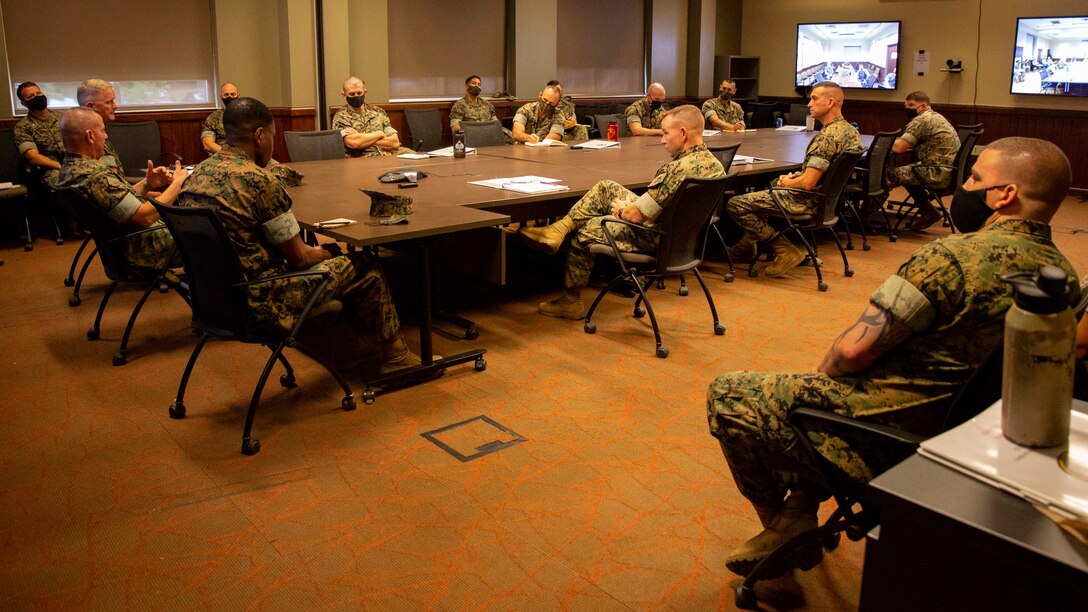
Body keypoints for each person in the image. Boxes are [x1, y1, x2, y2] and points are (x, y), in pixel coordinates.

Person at [707, 137, 1078, 578]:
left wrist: (824, 378)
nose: (967, 185)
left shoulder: (951, 258)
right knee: (812, 396)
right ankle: (799, 510)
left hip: (886, 431)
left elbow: (851, 352)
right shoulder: (1064, 277)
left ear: (1005, 195)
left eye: (977, 177)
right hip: (966, 436)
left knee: (727, 394)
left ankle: (780, 538)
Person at [178, 97, 421, 374]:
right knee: (365, 265)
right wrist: (329, 252)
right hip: (261, 300)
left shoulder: (197, 174)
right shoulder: (258, 181)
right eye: (271, 136)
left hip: (214, 301)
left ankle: (350, 345)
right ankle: (396, 359)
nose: (272, 143)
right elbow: (300, 259)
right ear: (259, 136)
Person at [519, 105, 725, 319]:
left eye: (665, 133)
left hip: (654, 238)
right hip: (684, 241)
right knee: (606, 187)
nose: (662, 140)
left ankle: (571, 301)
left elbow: (636, 216)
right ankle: (557, 229)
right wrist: (628, 210)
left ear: (683, 133)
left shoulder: (677, 170)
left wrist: (623, 212)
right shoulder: (714, 164)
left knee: (587, 229)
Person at [725, 81, 861, 277]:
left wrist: (789, 182)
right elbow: (824, 172)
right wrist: (794, 176)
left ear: (830, 102)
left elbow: (808, 183)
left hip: (805, 200)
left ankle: (784, 249)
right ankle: (747, 246)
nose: (809, 104)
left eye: (814, 99)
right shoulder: (850, 131)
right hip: (827, 201)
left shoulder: (828, 137)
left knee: (736, 204)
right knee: (768, 184)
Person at [53, 107, 187, 270]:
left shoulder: (71, 170)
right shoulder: (95, 175)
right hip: (146, 248)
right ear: (90, 136)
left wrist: (147, 183)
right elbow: (145, 217)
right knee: (216, 233)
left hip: (120, 247)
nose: (106, 135)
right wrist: (178, 183)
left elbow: (117, 204)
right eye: (103, 130)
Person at [885, 91, 961, 230]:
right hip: (948, 172)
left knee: (887, 175)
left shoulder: (922, 120)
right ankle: (929, 211)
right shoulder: (936, 117)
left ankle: (865, 217)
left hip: (935, 172)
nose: (908, 108)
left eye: (912, 105)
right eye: (906, 105)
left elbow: (899, 148)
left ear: (924, 106)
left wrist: (882, 143)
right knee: (907, 172)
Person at [331, 77, 412, 157]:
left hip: (387, 156)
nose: (356, 96)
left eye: (359, 93)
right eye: (352, 94)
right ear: (344, 95)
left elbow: (394, 142)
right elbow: (354, 143)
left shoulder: (378, 112)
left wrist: (361, 138)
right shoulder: (341, 116)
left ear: (365, 93)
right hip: (361, 160)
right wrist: (379, 134)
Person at [13, 82, 64, 187]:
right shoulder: (23, 127)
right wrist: (60, 166)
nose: (37, 97)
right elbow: (33, 157)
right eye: (31, 96)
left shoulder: (63, 118)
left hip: (73, 162)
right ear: (24, 103)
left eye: (38, 93)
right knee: (67, 182)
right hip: (50, 169)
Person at [77, 79, 126, 176]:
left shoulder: (98, 129)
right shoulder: (86, 138)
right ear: (91, 107)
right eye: (109, 102)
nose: (115, 106)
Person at [450, 74, 514, 144]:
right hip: (471, 138)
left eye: (479, 84)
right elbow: (455, 128)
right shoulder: (459, 105)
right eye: (474, 83)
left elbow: (495, 125)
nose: (477, 86)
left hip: (490, 136)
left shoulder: (487, 104)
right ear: (466, 86)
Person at [200, 82, 240, 155]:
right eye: (226, 95)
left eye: (233, 94)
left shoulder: (248, 115)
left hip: (246, 157)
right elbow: (207, 144)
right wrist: (229, 154)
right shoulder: (213, 118)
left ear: (238, 96)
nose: (229, 97)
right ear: (221, 97)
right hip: (222, 157)